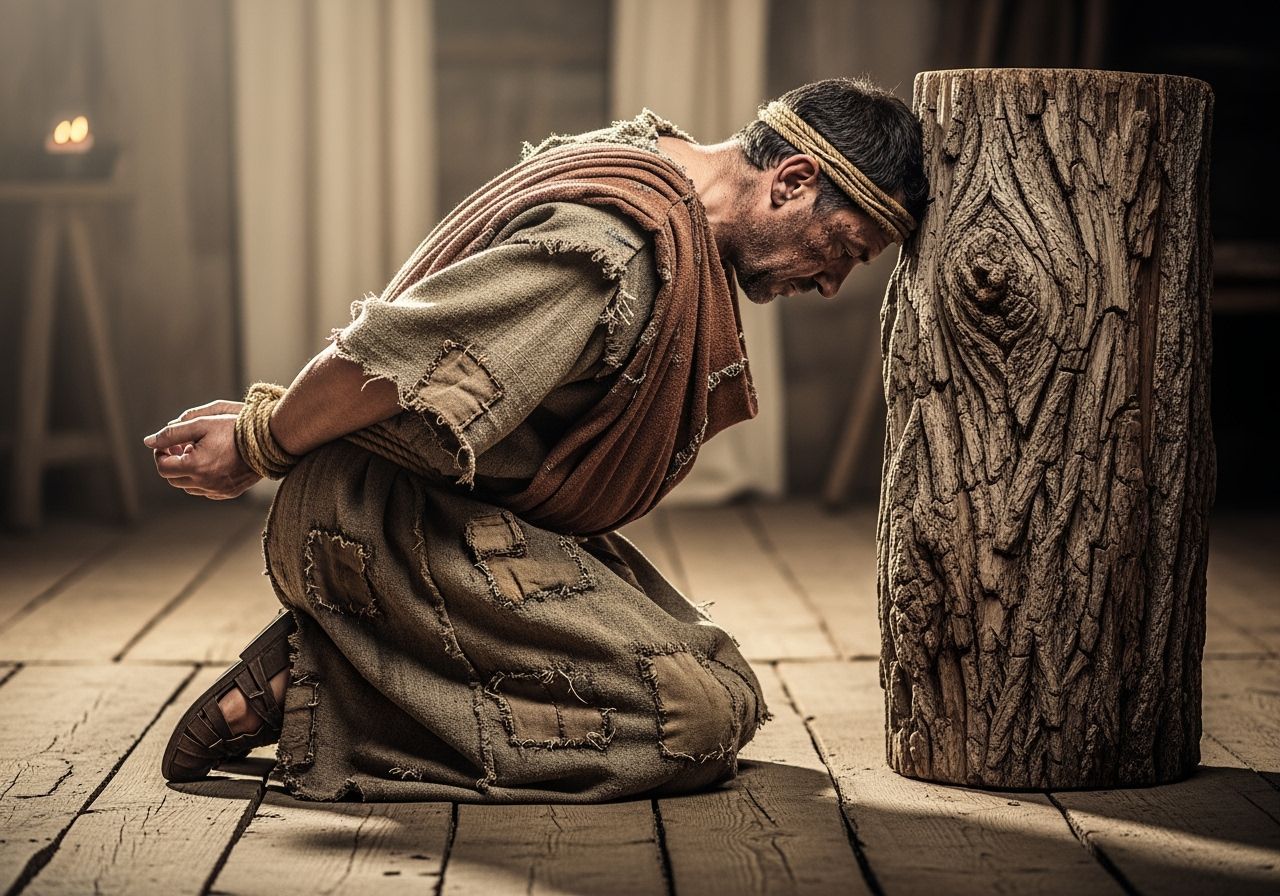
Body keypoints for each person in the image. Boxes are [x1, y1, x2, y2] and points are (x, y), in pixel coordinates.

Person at [145, 77, 927, 802]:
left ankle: (367, 652)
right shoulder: (619, 250)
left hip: (463, 510)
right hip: (377, 519)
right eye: (844, 248)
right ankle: (321, 682)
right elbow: (395, 358)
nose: (832, 283)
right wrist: (258, 441)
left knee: (722, 672)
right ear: (792, 181)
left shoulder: (648, 156)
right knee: (697, 722)